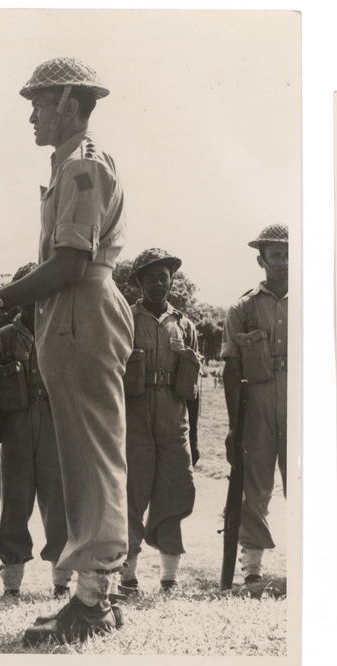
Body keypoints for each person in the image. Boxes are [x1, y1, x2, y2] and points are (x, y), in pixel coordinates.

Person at [0, 56, 132, 648]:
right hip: (68, 313)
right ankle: (91, 593)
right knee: (80, 455)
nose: (32, 114)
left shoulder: (83, 168)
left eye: (39, 101)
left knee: (91, 455)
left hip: (82, 308)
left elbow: (69, 262)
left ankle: (94, 600)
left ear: (70, 104)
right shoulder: (68, 169)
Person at [115, 246, 199, 596]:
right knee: (131, 494)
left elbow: (193, 387)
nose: (158, 285)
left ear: (171, 281)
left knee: (175, 491)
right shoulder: (123, 319)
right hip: (133, 420)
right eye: (150, 279)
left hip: (173, 420)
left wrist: (193, 438)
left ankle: (169, 578)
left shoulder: (185, 324)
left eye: (163, 278)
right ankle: (127, 576)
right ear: (137, 283)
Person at [0, 264, 68, 600]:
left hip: (54, 427)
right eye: (26, 293)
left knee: (59, 503)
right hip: (16, 429)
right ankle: (12, 584)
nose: (35, 301)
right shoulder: (1, 340)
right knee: (14, 505)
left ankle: (62, 581)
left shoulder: (62, 334)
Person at [223, 225, 290, 592]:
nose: (284, 261)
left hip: (299, 402)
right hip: (259, 402)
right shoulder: (242, 308)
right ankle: (252, 569)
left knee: (302, 481)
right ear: (261, 259)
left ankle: (310, 560)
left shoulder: (313, 301)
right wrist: (235, 425)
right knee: (255, 484)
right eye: (276, 254)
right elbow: (232, 369)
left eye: (289, 253)